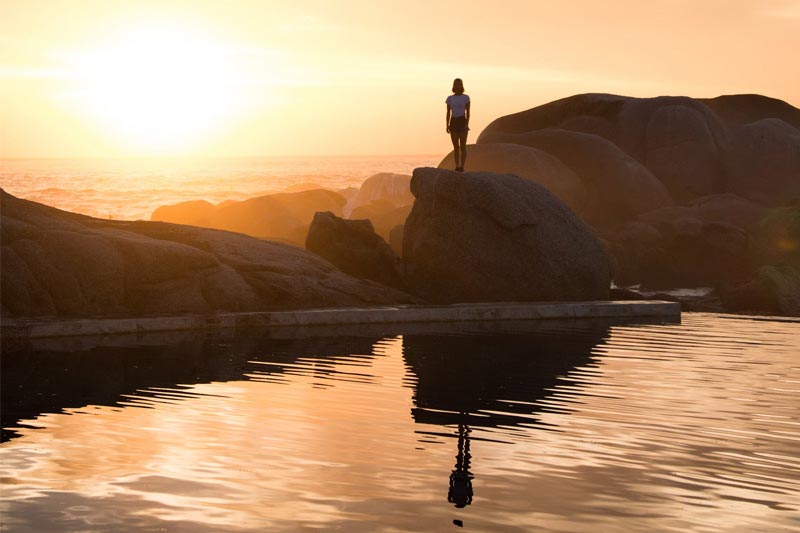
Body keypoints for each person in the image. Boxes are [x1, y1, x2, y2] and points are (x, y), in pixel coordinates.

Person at [446, 78, 470, 172]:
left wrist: (467, 124)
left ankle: (462, 166)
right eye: (456, 84)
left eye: (459, 84)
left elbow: (468, 112)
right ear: (453, 86)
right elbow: (448, 113)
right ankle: (457, 166)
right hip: (453, 122)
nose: (457, 86)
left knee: (463, 146)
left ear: (462, 86)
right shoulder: (450, 98)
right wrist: (447, 125)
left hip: (462, 120)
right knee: (456, 146)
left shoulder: (466, 97)